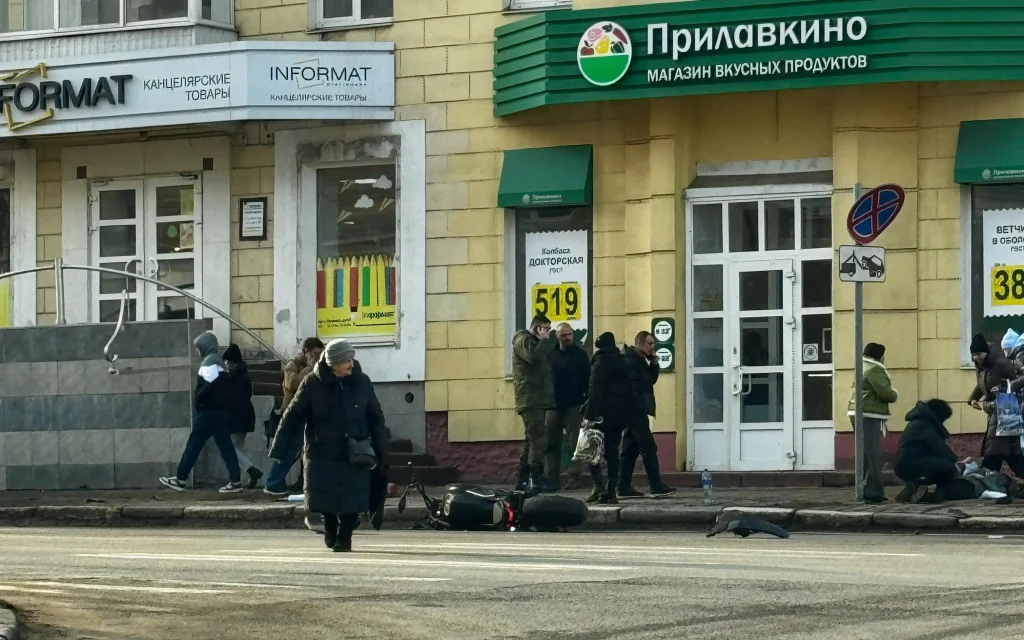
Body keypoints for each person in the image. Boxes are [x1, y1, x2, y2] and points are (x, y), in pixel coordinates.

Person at [269, 339, 389, 552]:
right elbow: (293, 416)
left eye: (351, 359)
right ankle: (330, 525)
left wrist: (382, 449)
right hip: (321, 452)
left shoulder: (362, 382)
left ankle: (345, 537)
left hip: (354, 452)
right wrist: (279, 447)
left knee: (353, 497)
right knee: (325, 497)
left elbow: (376, 417)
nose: (351, 364)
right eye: (346, 361)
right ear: (332, 363)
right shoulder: (312, 383)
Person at [160, 331, 243, 494]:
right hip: (220, 412)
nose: (198, 351)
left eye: (199, 348)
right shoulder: (217, 360)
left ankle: (180, 479)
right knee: (226, 447)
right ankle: (236, 481)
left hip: (209, 412)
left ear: (205, 346)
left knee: (194, 444)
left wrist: (199, 399)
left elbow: (212, 387)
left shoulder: (209, 362)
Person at [583, 332, 640, 505]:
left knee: (590, 451)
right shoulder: (622, 362)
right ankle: (611, 490)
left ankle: (599, 488)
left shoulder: (599, 363)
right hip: (618, 416)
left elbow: (595, 391)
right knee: (612, 453)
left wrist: (589, 416)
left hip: (600, 415)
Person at [264, 337, 325, 496]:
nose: (318, 357)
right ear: (306, 352)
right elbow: (292, 384)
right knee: (290, 450)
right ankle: (273, 483)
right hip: (294, 413)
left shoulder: (319, 365)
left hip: (311, 413)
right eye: (315, 353)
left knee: (308, 450)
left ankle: (304, 481)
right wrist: (309, 368)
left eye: (320, 353)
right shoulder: (293, 364)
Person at [619, 331, 675, 498]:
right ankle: (655, 486)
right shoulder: (631, 361)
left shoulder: (640, 360)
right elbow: (632, 387)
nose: (652, 347)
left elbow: (649, 380)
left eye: (653, 344)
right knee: (649, 447)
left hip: (635, 411)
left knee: (630, 450)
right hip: (635, 411)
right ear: (640, 343)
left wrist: (654, 364)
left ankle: (622, 487)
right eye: (649, 344)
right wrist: (638, 408)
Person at [846, 342, 897, 504]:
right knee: (872, 455)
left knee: (865, 453)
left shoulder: (862, 366)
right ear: (879, 356)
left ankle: (865, 489)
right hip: (868, 414)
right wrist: (894, 394)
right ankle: (873, 492)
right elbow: (885, 393)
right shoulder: (875, 369)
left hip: (859, 412)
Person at [968, 334, 1024, 476]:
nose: (976, 357)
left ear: (986, 352)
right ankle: (990, 476)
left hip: (1006, 407)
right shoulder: (981, 366)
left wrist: (1006, 388)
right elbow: (982, 384)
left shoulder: (1000, 363)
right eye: (973, 354)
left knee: (997, 449)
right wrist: (973, 398)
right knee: (1008, 450)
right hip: (995, 409)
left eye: (978, 354)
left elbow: (1019, 377)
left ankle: (987, 476)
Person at [512, 313, 555, 490]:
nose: (549, 333)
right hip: (530, 399)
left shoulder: (534, 343)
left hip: (537, 399)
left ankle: (523, 479)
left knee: (531, 439)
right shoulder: (523, 340)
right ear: (537, 328)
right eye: (546, 329)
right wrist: (543, 342)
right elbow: (532, 357)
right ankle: (535, 479)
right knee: (538, 439)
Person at [545, 323, 590, 491]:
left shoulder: (580, 355)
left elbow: (587, 379)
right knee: (551, 444)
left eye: (569, 334)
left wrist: (586, 401)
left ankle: (574, 477)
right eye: (563, 335)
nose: (568, 338)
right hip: (553, 405)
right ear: (557, 336)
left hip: (574, 405)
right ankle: (551, 478)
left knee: (574, 444)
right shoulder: (550, 354)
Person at [893, 399, 959, 503]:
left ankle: (914, 487)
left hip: (905, 462)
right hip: (909, 464)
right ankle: (937, 492)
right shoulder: (924, 424)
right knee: (948, 468)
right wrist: (956, 461)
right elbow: (939, 447)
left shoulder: (920, 421)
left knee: (944, 465)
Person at [223, 344, 262, 489]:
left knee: (230, 450)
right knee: (237, 449)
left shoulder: (235, 377)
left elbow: (233, 398)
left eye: (228, 362)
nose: (226, 364)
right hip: (244, 417)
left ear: (233, 362)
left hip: (236, 418)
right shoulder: (242, 375)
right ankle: (236, 480)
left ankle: (252, 471)